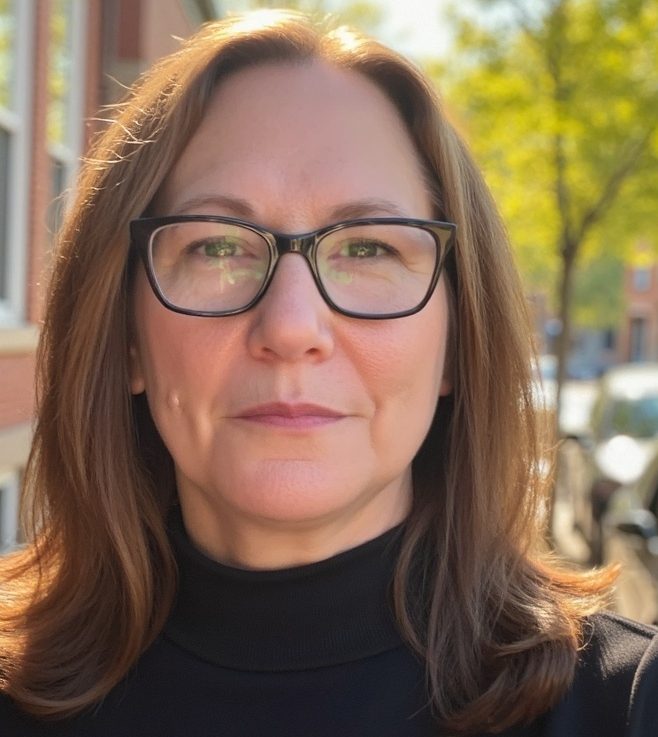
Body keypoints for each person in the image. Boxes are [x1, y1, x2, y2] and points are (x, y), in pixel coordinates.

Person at [0, 9, 656, 737]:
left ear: (456, 340)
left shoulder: (628, 707)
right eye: (217, 247)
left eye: (369, 248)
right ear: (126, 336)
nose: (290, 328)